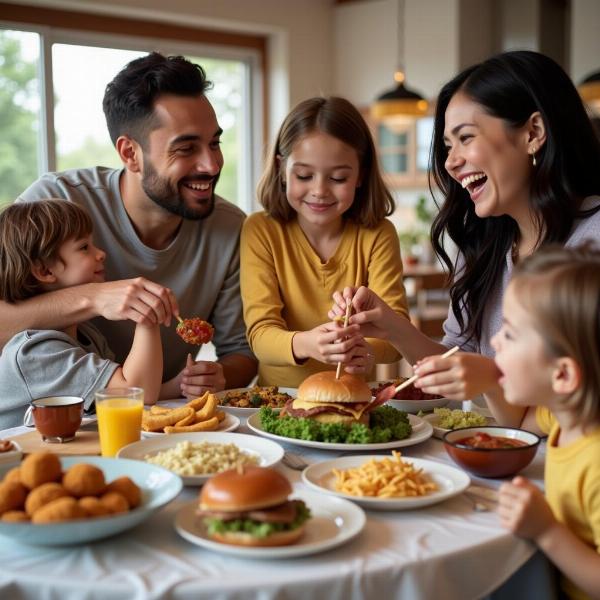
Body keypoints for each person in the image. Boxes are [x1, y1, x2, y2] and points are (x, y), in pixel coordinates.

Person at [330, 50, 600, 420]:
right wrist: (393, 328)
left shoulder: (593, 239)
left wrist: (491, 379)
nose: (450, 162)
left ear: (533, 133)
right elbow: (459, 358)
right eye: (447, 146)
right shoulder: (484, 247)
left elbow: (573, 404)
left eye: (465, 138)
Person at [7, 52, 257, 398]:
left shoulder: (230, 227)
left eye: (214, 142)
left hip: (160, 418)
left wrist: (217, 377)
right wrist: (95, 299)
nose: (212, 165)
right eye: (186, 148)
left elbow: (241, 353)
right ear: (130, 153)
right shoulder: (57, 204)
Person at [241, 96, 408, 388]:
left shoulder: (378, 234)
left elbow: (395, 337)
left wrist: (367, 349)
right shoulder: (261, 230)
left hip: (353, 399)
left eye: (338, 178)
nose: (319, 191)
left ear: (361, 175)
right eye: (304, 175)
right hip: (278, 400)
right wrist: (307, 344)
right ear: (282, 169)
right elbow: (260, 335)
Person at [491, 244, 600, 600]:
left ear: (563, 375)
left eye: (509, 333)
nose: (494, 342)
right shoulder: (560, 415)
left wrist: (547, 530)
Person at [0, 200, 162, 428]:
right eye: (84, 247)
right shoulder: (36, 352)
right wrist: (146, 318)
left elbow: (123, 390)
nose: (101, 254)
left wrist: (181, 384)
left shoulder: (86, 333)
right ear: (45, 270)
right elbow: (136, 395)